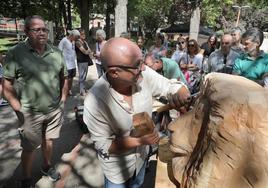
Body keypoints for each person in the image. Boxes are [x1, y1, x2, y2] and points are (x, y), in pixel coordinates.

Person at [83, 37, 190, 188]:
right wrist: (140, 141)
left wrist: (181, 93)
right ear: (114, 72)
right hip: (118, 173)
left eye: (142, 61)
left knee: (138, 184)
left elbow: (169, 86)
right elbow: (104, 145)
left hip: (141, 161)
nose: (144, 68)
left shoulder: (142, 75)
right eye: (137, 65)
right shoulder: (94, 102)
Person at [2, 15, 68, 187]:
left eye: (44, 29)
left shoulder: (56, 52)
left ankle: (46, 166)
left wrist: (63, 99)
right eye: (36, 29)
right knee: (29, 148)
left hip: (54, 110)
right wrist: (18, 108)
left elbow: (65, 77)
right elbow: (6, 84)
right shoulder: (15, 53)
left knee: (50, 140)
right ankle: (26, 177)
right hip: (29, 112)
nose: (42, 33)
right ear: (26, 32)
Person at [58, 29, 80, 95]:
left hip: (73, 64)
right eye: (76, 37)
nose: (76, 39)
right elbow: (59, 51)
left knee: (71, 78)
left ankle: (69, 90)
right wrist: (61, 62)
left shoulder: (73, 41)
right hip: (66, 64)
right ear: (72, 35)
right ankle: (63, 91)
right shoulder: (64, 41)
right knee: (66, 79)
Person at [75, 29, 93, 96]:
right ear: (79, 35)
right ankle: (81, 91)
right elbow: (85, 52)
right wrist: (87, 51)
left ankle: (83, 88)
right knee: (81, 76)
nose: (84, 35)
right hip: (81, 61)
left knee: (84, 76)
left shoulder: (85, 42)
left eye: (84, 34)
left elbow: (89, 50)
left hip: (86, 61)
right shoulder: (77, 42)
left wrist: (88, 51)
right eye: (82, 34)